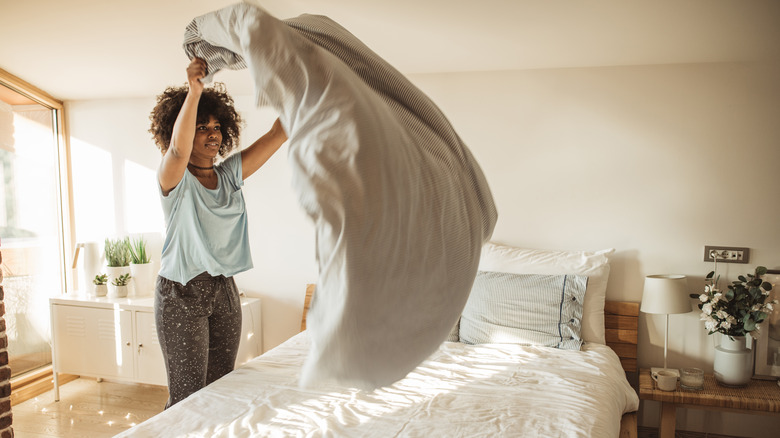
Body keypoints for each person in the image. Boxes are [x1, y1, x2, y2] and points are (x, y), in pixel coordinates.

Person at [148, 57, 287, 408]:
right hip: (181, 292)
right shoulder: (174, 178)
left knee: (221, 388)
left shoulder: (228, 176)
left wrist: (300, 91)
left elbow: (278, 133)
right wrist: (195, 91)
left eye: (215, 127)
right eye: (201, 127)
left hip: (223, 288)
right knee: (187, 397)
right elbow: (179, 150)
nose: (212, 134)